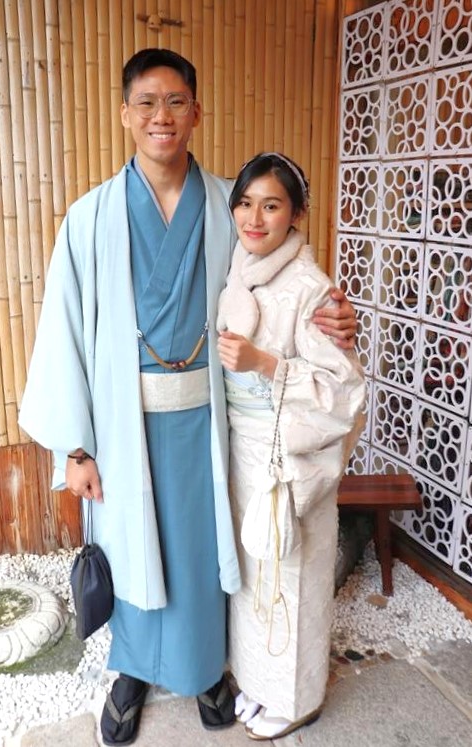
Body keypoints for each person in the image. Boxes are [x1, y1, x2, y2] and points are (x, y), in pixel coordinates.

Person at [18, 49, 357, 746]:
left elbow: (286, 267)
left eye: (176, 101)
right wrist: (75, 448)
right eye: (146, 102)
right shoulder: (89, 219)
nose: (161, 116)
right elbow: (62, 333)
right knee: (129, 541)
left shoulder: (230, 207)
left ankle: (205, 668)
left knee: (201, 549)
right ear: (125, 114)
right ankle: (132, 671)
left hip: (209, 420)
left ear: (196, 112)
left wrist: (332, 311)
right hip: (121, 422)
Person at [216, 153, 366, 740]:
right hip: (243, 450)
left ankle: (297, 698)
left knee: (293, 572)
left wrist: (266, 364)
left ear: (297, 213)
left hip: (289, 456)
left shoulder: (312, 289)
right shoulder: (239, 268)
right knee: (257, 570)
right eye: (245, 203)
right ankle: (258, 682)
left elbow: (342, 391)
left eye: (272, 205)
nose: (254, 219)